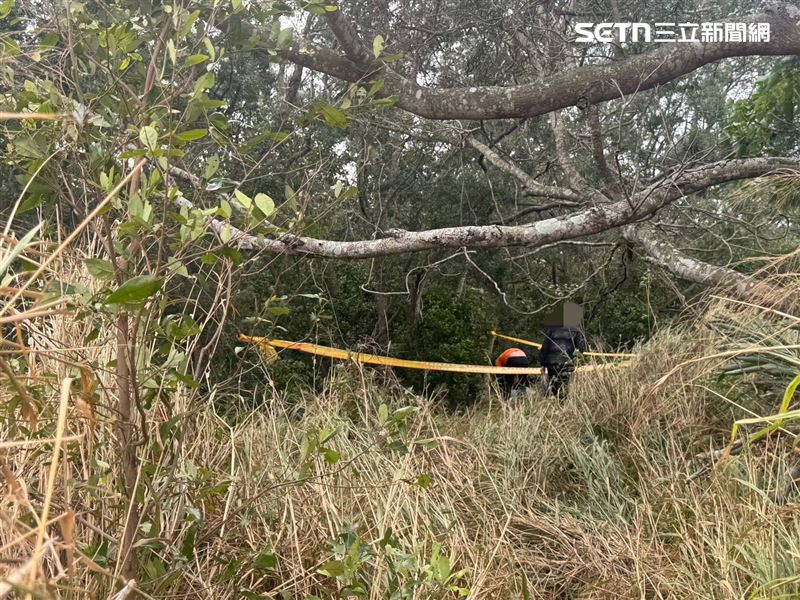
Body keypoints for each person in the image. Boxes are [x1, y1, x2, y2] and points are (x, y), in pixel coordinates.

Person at [538, 324, 586, 398]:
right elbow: (582, 348)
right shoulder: (575, 330)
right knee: (564, 387)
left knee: (554, 386)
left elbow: (545, 347)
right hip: (567, 362)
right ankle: (563, 404)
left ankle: (555, 403)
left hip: (551, 363)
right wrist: (576, 360)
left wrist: (542, 362)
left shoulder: (552, 329)